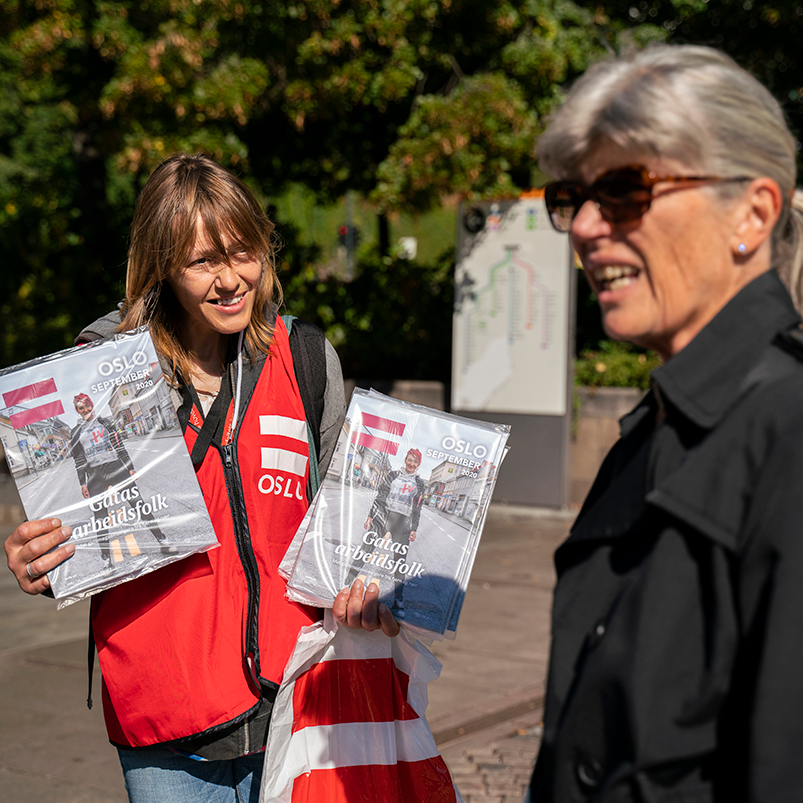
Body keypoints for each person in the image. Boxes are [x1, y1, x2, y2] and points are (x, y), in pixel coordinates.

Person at [4, 153, 398, 802]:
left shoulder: (304, 357)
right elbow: (80, 539)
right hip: (166, 718)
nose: (229, 280)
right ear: (160, 265)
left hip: (296, 707)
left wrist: (378, 580)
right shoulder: (102, 370)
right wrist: (41, 561)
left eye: (243, 252)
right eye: (202, 262)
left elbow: (345, 525)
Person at [529, 45, 803, 801]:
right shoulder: (661, 425)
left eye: (623, 190)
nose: (585, 225)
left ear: (750, 213)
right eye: (573, 196)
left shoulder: (784, 429)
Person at [69, 392, 173, 565]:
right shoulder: (76, 432)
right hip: (95, 475)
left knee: (138, 503)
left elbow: (119, 446)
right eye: (81, 407)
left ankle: (162, 539)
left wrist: (130, 467)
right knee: (100, 517)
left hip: (116, 468)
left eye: (88, 405)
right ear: (77, 411)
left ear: (92, 405)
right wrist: (83, 482)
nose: (86, 409)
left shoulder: (106, 423)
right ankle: (106, 557)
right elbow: (79, 460)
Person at [356, 447, 426, 607]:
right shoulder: (393, 475)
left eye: (415, 461)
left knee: (399, 561)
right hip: (384, 517)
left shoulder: (420, 484)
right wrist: (370, 515)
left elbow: (417, 508)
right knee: (366, 549)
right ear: (405, 460)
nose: (411, 463)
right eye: (410, 459)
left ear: (418, 464)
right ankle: (347, 581)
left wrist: (413, 528)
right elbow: (380, 497)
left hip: (403, 524)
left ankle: (398, 599)